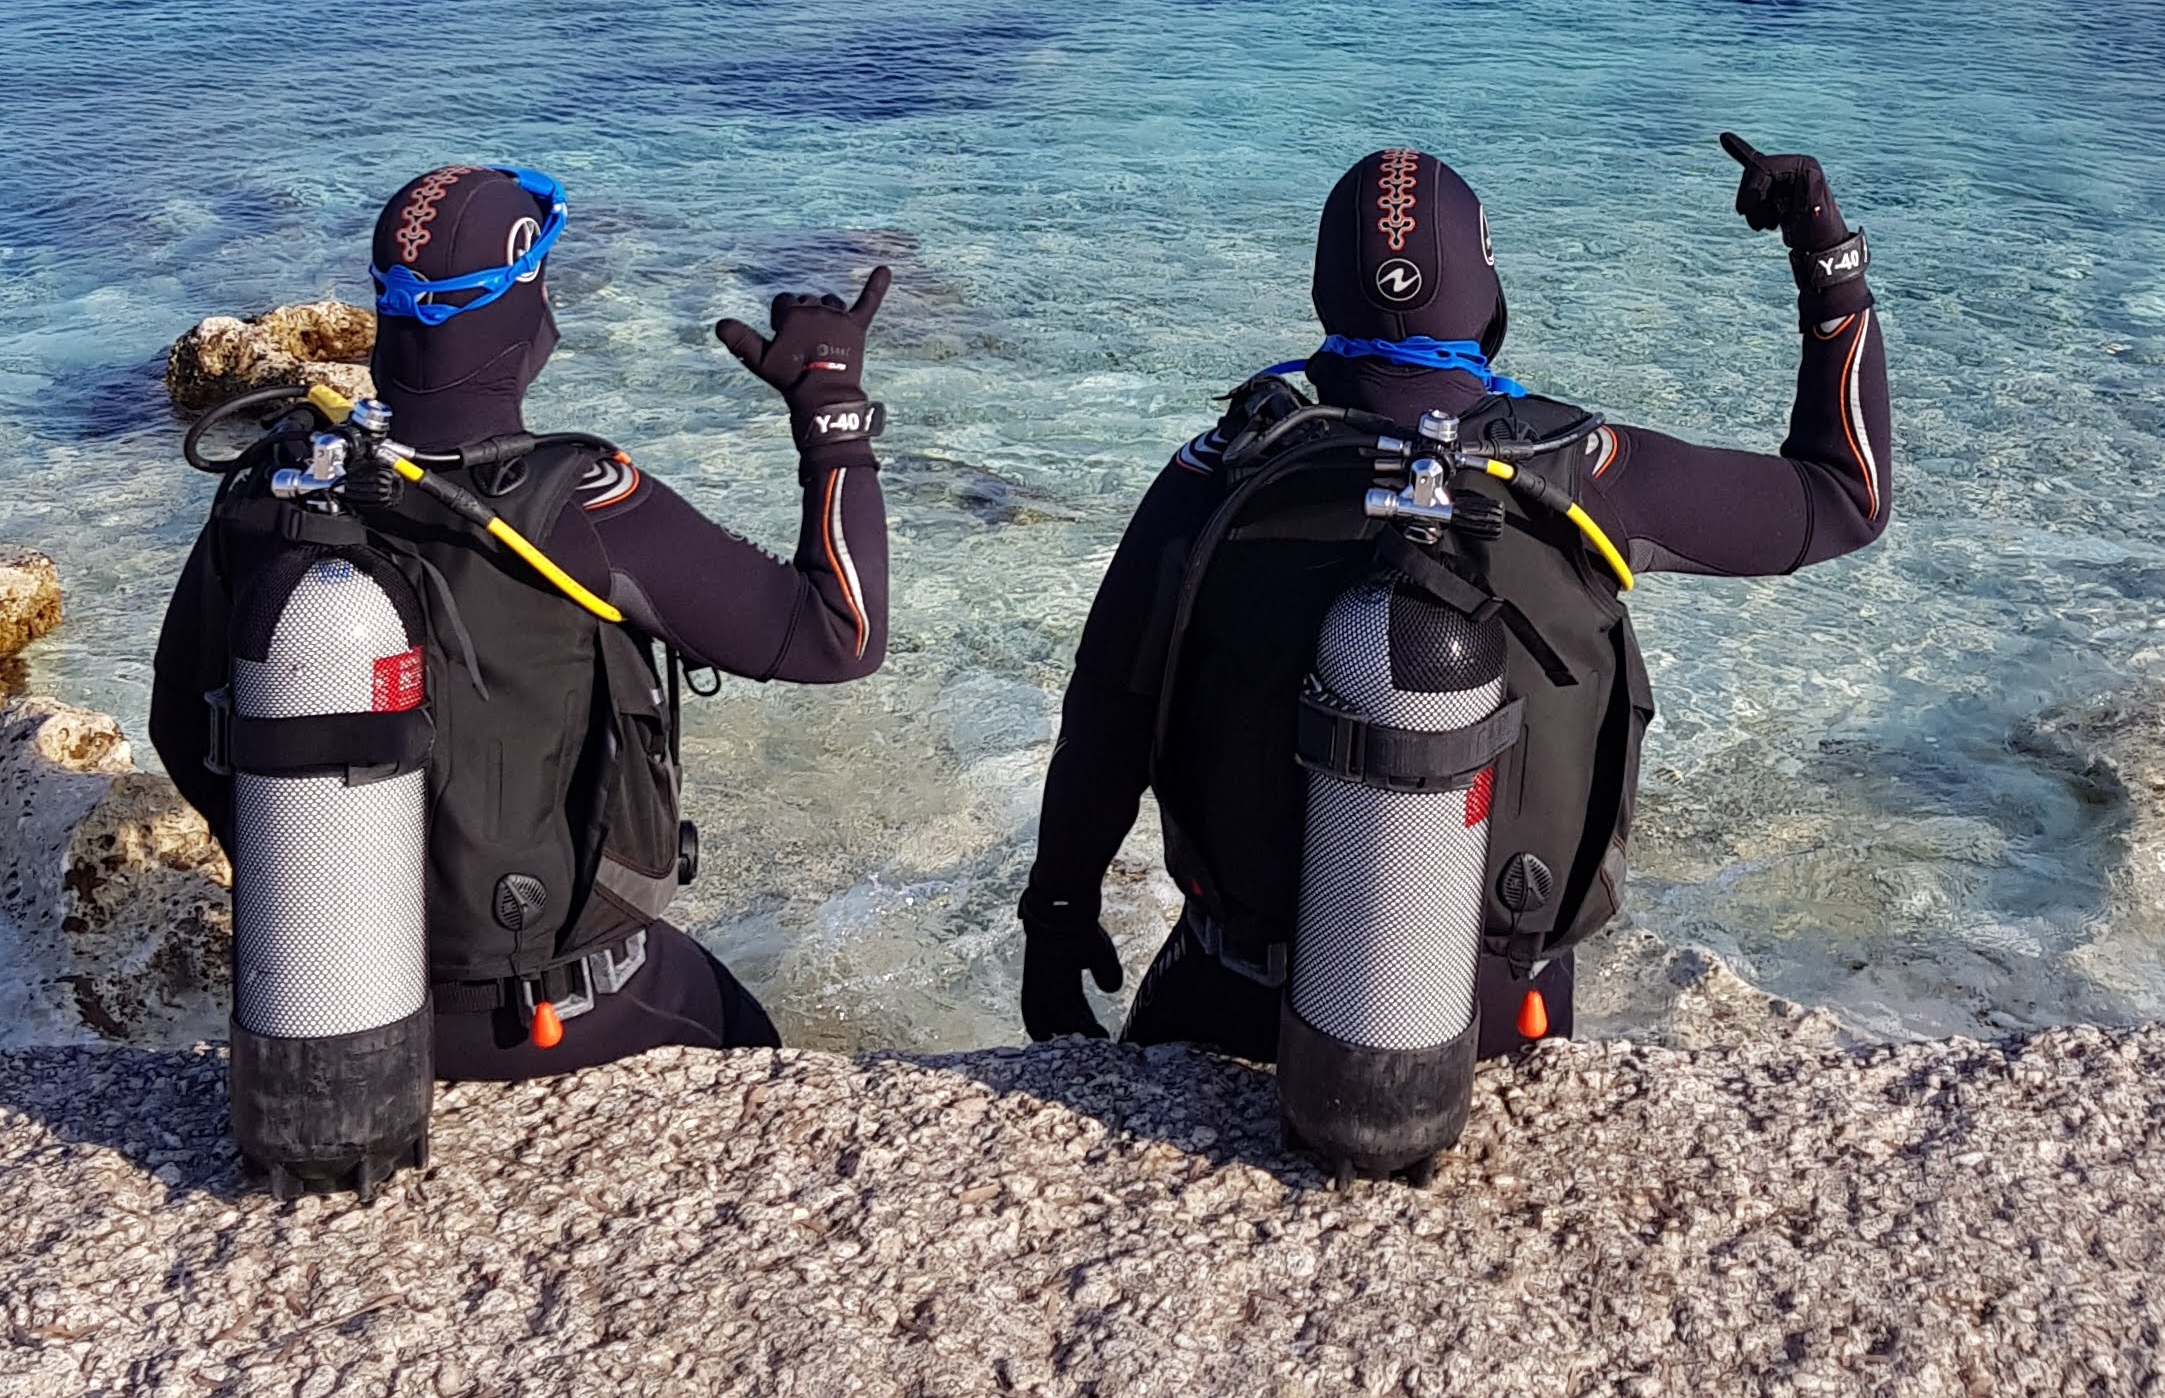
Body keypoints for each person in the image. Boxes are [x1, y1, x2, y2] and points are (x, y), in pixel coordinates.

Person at [1017, 133, 1890, 1060]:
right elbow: (1845, 497)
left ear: (1323, 288)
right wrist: (1827, 264)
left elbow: (1107, 717)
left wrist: (1058, 914)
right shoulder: (1581, 474)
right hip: (1496, 1013)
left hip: (1237, 994)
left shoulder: (1217, 472)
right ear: (1486, 290)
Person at [153, 162, 891, 1078]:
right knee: (753, 1042)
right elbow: (838, 635)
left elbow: (180, 726)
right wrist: (831, 412)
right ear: (525, 298)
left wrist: (316, 886)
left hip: (319, 999)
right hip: (545, 1013)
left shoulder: (277, 484)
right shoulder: (571, 505)